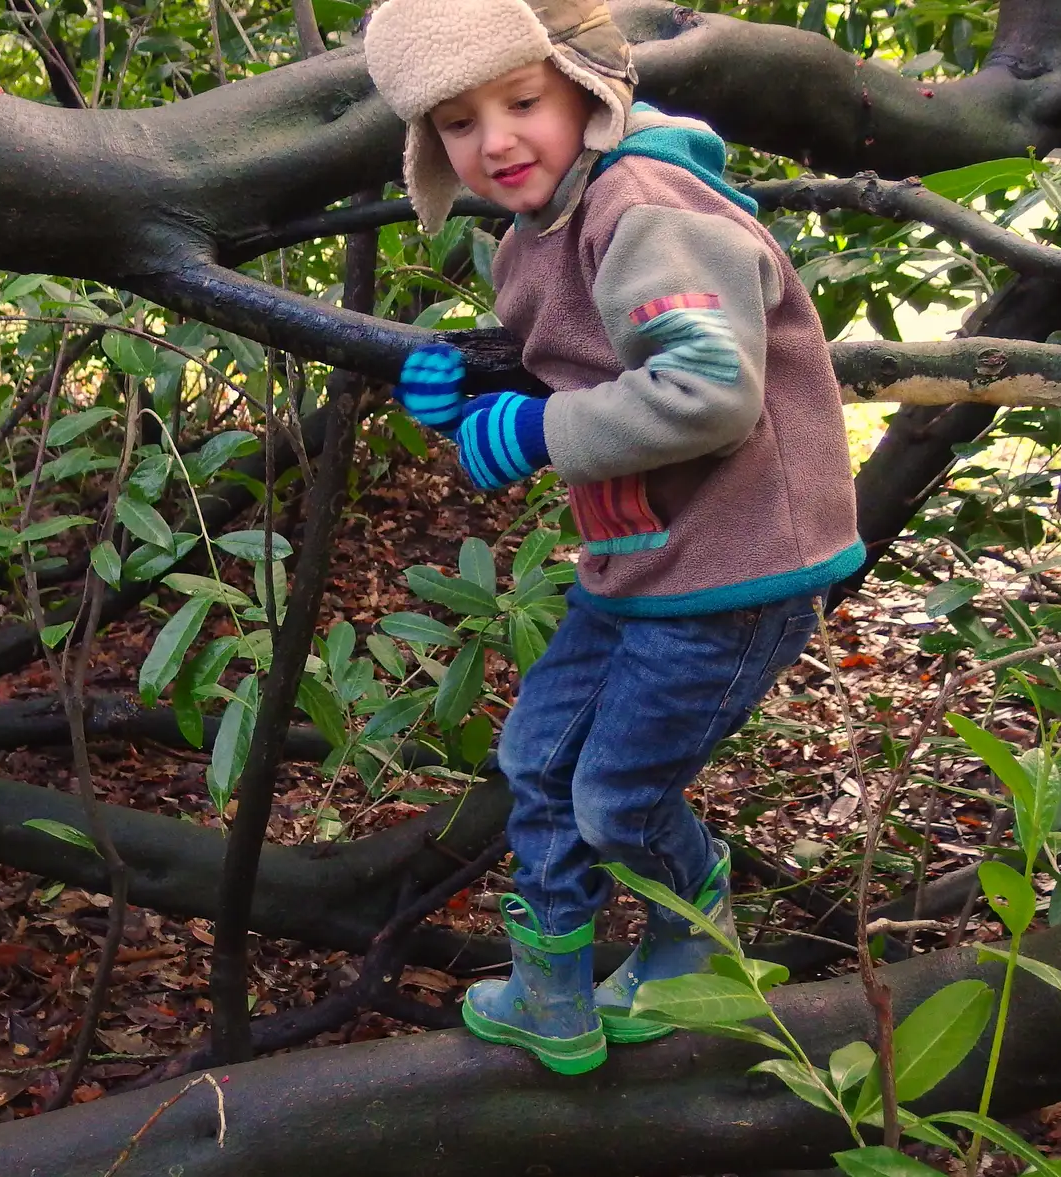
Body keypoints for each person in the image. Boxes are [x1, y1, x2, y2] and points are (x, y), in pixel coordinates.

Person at [363, 0, 863, 1075]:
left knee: (615, 795)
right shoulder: (546, 225)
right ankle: (553, 980)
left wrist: (537, 428)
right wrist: (482, 376)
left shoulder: (644, 205)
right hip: (644, 560)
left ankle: (697, 947)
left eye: (522, 101)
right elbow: (589, 348)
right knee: (535, 756)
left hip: (736, 569)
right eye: (456, 122)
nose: (493, 140)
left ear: (589, 91)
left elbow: (706, 387)